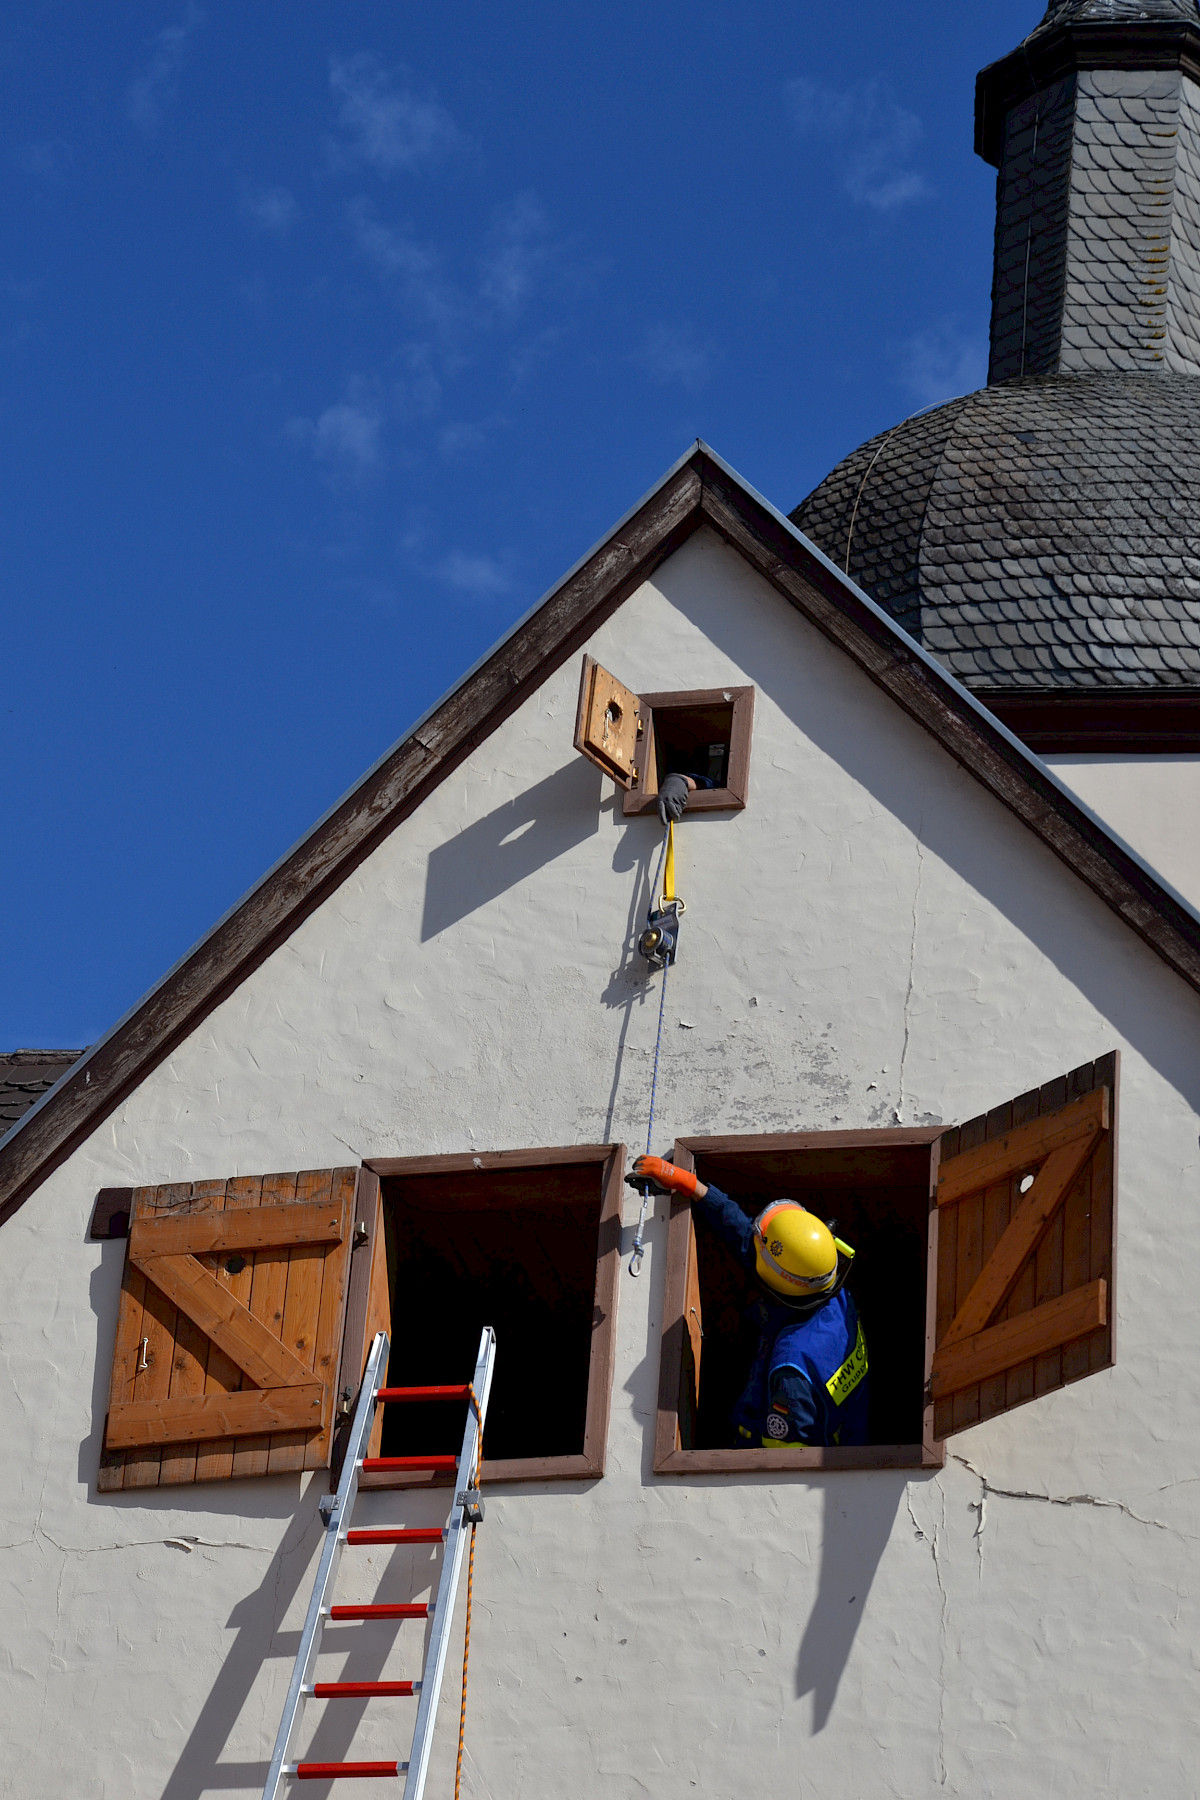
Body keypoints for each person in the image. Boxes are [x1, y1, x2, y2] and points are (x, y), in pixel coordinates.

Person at [630, 1155, 869, 1448]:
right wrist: (690, 1185)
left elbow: (785, 1460)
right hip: (852, 1415)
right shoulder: (826, 1285)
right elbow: (752, 1240)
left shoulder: (791, 1369)